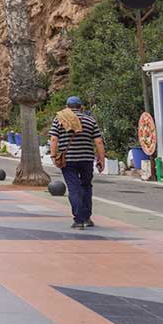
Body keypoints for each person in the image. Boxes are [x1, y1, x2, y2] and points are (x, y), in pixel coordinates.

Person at [48, 96, 106, 229]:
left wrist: (53, 155)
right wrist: (101, 159)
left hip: (68, 160)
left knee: (74, 188)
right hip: (86, 159)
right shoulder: (90, 120)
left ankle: (78, 220)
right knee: (86, 187)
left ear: (67, 107)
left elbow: (53, 139)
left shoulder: (60, 119)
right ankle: (87, 218)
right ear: (81, 107)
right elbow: (98, 141)